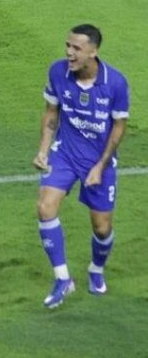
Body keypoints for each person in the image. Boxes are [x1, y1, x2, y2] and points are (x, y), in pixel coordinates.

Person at [32, 24, 129, 309]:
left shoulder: (115, 83)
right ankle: (63, 279)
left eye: (76, 48)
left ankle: (96, 269)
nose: (69, 52)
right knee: (45, 208)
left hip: (99, 160)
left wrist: (100, 166)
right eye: (68, 46)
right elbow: (51, 112)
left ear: (93, 51)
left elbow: (119, 127)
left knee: (102, 228)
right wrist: (43, 151)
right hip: (65, 153)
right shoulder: (57, 72)